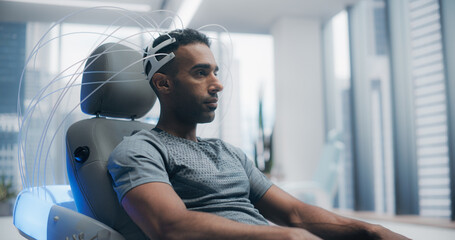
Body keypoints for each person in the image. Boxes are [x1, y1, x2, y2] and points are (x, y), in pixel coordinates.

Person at [108, 28, 409, 240]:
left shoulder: (227, 152)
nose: (217, 84)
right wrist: (285, 237)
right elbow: (171, 226)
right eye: (201, 73)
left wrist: (370, 230)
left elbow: (295, 213)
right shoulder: (139, 149)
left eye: (215, 71)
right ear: (163, 84)